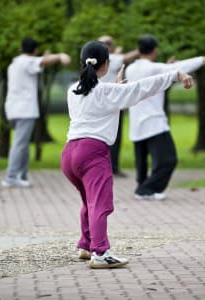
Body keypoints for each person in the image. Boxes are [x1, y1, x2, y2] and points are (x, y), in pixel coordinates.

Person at [61, 40, 193, 269]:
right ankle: (100, 253)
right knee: (100, 204)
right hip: (93, 153)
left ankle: (86, 245)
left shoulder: (72, 89)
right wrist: (174, 74)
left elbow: (98, 97)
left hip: (69, 154)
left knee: (88, 202)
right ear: (106, 64)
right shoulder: (109, 91)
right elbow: (142, 88)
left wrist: (116, 87)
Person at [126, 35, 205, 200]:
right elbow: (181, 67)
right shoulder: (154, 68)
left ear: (138, 51)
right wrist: (202, 59)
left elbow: (154, 76)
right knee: (168, 160)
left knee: (142, 162)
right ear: (155, 51)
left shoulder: (130, 69)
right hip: (153, 122)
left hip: (136, 123)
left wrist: (166, 67)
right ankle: (145, 190)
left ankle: (142, 187)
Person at [2, 37, 71, 188]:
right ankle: (11, 176)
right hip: (25, 110)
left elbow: (40, 62)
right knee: (20, 143)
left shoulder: (15, 63)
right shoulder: (28, 61)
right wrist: (60, 56)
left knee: (23, 143)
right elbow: (42, 62)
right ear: (35, 50)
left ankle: (21, 175)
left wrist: (44, 58)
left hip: (13, 109)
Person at [98, 35, 139, 177]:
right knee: (114, 137)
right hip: (113, 103)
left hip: (98, 103)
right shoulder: (112, 59)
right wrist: (142, 49)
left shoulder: (97, 58)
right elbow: (126, 57)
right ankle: (112, 167)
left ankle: (104, 167)